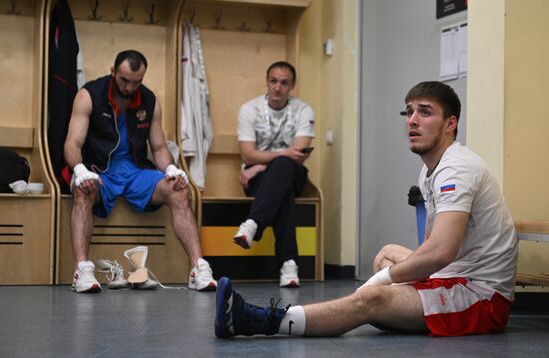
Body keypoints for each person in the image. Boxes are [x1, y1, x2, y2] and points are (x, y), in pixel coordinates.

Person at [214, 81, 518, 338]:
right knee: (386, 254)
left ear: (450, 123)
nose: (412, 120)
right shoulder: (429, 171)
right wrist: (391, 273)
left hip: (482, 298)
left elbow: (440, 253)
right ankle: (396, 307)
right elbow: (430, 248)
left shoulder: (457, 168)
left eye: (425, 113)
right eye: (409, 111)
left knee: (373, 296)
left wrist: (382, 282)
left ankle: (260, 320)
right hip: (453, 276)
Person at [64, 50, 217, 293]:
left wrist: (171, 169)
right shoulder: (88, 95)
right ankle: (81, 270)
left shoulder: (149, 100)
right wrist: (80, 170)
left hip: (135, 171)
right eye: (124, 80)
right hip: (98, 169)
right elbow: (72, 144)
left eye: (136, 82)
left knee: (177, 191)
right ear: (113, 72)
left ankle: (198, 268)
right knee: (82, 191)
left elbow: (158, 147)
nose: (129, 87)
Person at [232, 61, 315, 287]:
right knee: (283, 192)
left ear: (292, 86)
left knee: (286, 167)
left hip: (291, 175)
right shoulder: (249, 109)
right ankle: (289, 264)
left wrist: (260, 165)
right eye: (274, 81)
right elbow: (247, 155)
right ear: (267, 81)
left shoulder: (304, 110)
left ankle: (252, 223)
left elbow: (297, 155)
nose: (278, 87)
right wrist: (262, 163)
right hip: (257, 181)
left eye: (284, 83)